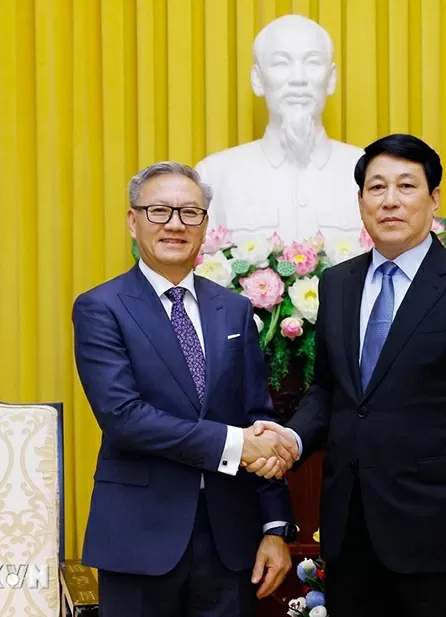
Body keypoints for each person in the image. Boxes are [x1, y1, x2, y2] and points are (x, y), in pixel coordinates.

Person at [246, 134, 446, 616]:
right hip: (351, 533)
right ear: (360, 201)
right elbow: (331, 391)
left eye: (406, 185)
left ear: (433, 198)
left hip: (443, 537)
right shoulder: (337, 283)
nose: (390, 200)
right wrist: (292, 440)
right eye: (376, 188)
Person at [72, 162, 300, 617]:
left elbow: (258, 414)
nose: (175, 224)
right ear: (132, 221)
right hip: (140, 538)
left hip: (230, 538)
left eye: (190, 213)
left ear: (204, 226)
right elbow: (124, 418)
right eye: (159, 211)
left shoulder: (233, 309)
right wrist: (235, 443)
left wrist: (275, 526)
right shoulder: (101, 308)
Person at [195, 14, 363, 243]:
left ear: (331, 78)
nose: (298, 78)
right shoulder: (215, 175)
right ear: (257, 79)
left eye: (312, 62)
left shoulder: (368, 172)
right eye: (281, 63)